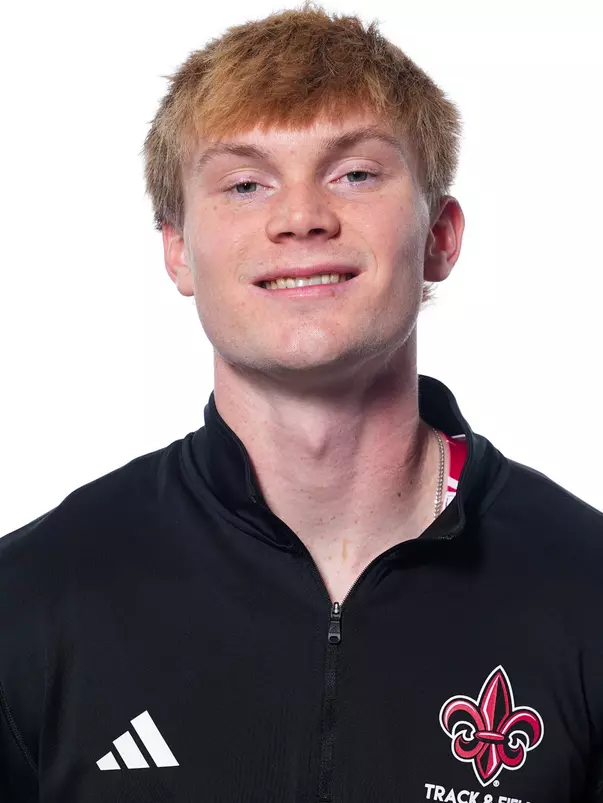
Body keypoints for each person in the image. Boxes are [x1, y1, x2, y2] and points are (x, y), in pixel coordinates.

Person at [1, 3, 602, 801]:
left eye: (354, 174)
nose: (300, 219)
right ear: (177, 252)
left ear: (439, 236)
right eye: (245, 184)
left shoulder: (585, 589)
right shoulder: (32, 599)